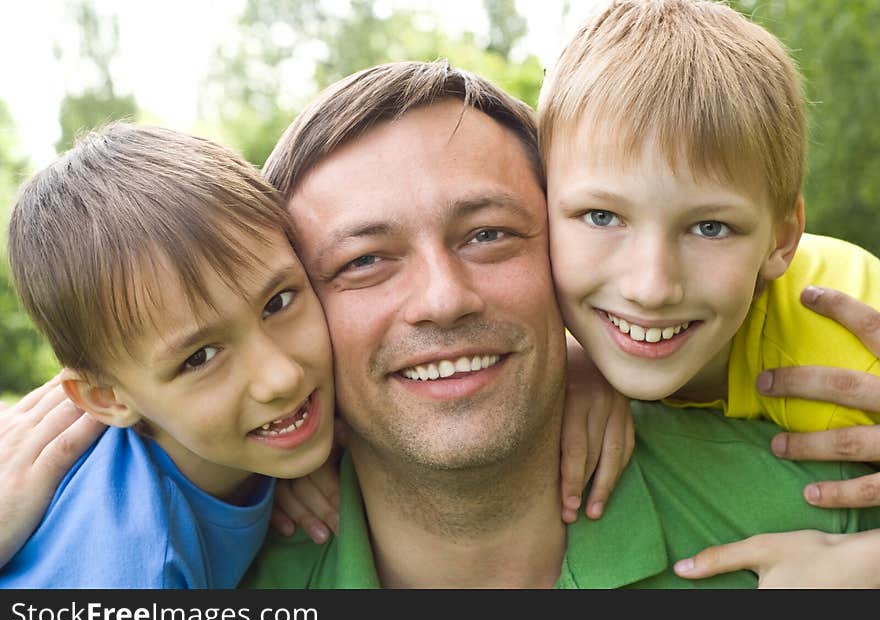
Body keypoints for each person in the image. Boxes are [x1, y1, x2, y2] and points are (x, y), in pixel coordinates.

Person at [4, 62, 880, 587]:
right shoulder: (208, 583)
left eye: (490, 234)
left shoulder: (824, 533)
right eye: (363, 261)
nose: (443, 298)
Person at [0, 123, 335, 588]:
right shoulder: (136, 570)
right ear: (106, 399)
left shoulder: (218, 441)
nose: (280, 378)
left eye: (277, 303)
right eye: (200, 357)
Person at [540, 0, 880, 432]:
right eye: (602, 217)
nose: (651, 289)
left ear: (781, 240)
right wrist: (572, 365)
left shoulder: (849, 345)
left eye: (709, 228)